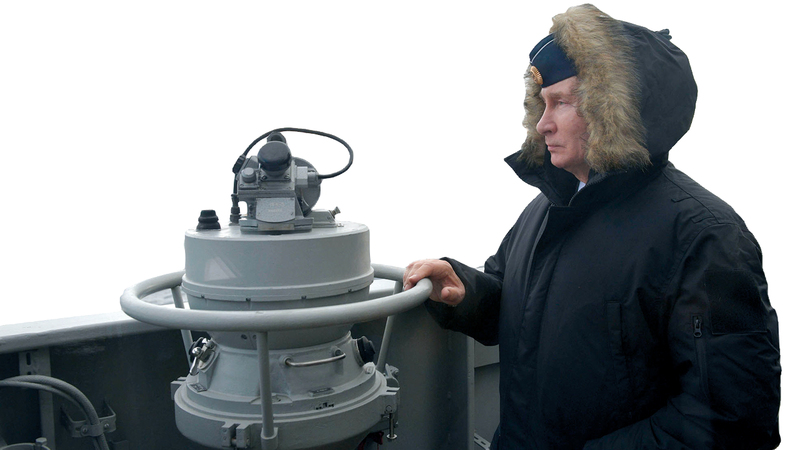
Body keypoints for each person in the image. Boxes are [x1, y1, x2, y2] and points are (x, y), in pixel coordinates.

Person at [402, 4, 781, 449]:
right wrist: (465, 290)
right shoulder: (547, 207)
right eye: (542, 104)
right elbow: (519, 304)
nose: (542, 124)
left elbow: (732, 420)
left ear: (613, 109)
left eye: (562, 102)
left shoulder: (705, 236)